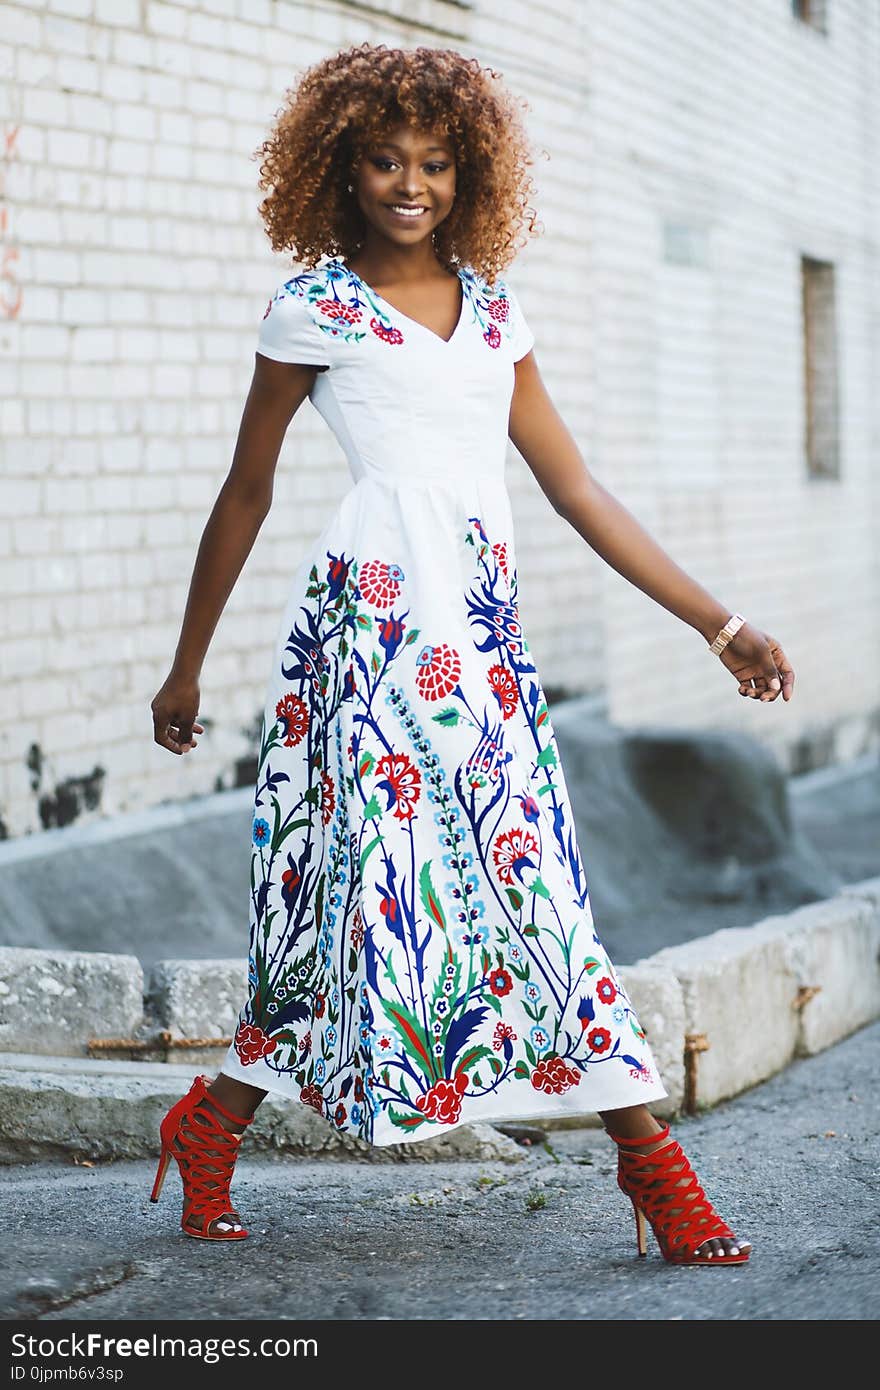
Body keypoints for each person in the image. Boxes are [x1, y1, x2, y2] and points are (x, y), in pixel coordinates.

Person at [149, 42, 794, 1264]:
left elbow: (575, 488)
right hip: (372, 636)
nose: (412, 182)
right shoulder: (313, 308)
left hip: (481, 646)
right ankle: (658, 1175)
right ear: (341, 168)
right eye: (386, 160)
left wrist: (716, 623)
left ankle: (210, 1120)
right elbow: (244, 491)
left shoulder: (496, 313)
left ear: (468, 174)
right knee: (372, 900)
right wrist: (186, 667)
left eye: (436, 163)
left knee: (508, 892)